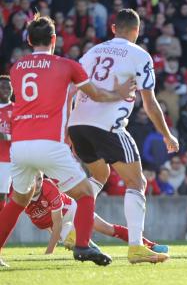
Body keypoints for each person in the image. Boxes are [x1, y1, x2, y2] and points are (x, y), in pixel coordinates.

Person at [0, 14, 134, 266]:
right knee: (85, 193)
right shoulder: (67, 65)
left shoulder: (16, 67)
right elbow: (95, 94)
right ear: (54, 39)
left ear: (29, 40)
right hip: (49, 143)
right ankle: (82, 245)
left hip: (19, 145)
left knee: (18, 200)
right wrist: (120, 92)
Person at [68, 9, 179, 264]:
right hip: (107, 127)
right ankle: (136, 247)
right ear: (136, 31)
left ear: (113, 28)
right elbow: (150, 103)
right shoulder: (140, 55)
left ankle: (76, 232)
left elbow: (72, 88)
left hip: (78, 124)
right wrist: (167, 134)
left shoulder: (93, 51)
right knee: (137, 182)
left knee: (99, 176)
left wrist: (67, 127)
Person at [24, 174, 169, 255]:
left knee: (108, 229)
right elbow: (50, 226)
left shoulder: (49, 188)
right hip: (59, 223)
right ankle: (96, 253)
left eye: (39, 179)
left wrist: (49, 253)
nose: (37, 183)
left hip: (72, 211)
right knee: (74, 242)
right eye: (33, 179)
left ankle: (151, 246)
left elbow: (57, 223)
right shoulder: (19, 194)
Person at [0, 76, 13, 214]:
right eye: (2, 87)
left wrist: (5, 136)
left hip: (5, 160)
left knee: (1, 194)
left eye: (9, 87)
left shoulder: (16, 109)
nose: (6, 90)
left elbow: (22, 135)